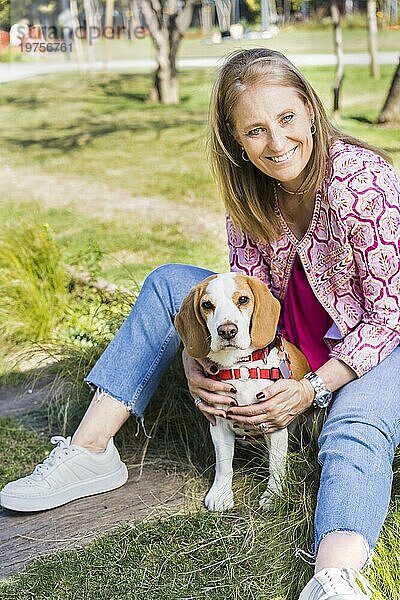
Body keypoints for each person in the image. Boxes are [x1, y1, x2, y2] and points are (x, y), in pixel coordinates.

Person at [1, 48, 399, 599]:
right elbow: (241, 292)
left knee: (357, 422)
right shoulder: (249, 192)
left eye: (286, 119)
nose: (277, 143)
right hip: (286, 335)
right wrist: (196, 359)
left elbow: (388, 315)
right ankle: (91, 452)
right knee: (169, 282)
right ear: (236, 140)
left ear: (310, 109)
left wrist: (309, 389)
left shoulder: (360, 182)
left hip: (371, 342)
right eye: (254, 131)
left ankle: (335, 572)